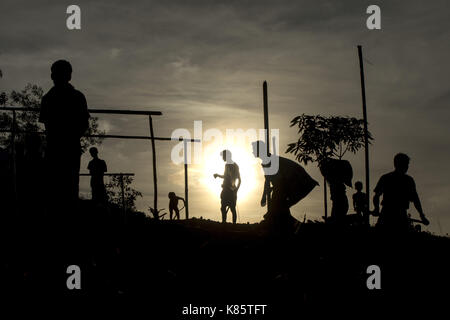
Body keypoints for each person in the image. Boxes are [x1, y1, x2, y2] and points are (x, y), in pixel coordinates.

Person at [39, 60, 90, 205]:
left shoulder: (50, 98)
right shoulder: (49, 98)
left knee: (64, 190)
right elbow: (83, 124)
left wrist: (67, 138)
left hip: (62, 148)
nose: (55, 76)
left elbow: (83, 124)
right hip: (60, 148)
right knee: (62, 190)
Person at [252, 141, 318, 233]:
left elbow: (279, 183)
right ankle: (292, 227)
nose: (252, 152)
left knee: (278, 206)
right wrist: (264, 196)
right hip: (293, 183)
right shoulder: (266, 161)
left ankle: (290, 227)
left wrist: (272, 197)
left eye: (254, 149)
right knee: (280, 208)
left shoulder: (270, 161)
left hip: (300, 182)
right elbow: (268, 180)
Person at [373, 153, 429, 231]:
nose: (407, 167)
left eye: (407, 164)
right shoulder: (388, 178)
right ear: (398, 164)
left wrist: (422, 216)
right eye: (405, 164)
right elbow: (376, 195)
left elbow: (416, 200)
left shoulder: (406, 180)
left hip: (397, 214)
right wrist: (376, 208)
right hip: (388, 213)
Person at [213, 150, 241, 224]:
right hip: (232, 190)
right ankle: (231, 225)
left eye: (223, 156)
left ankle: (224, 224)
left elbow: (227, 176)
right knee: (232, 209)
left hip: (227, 190)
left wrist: (217, 175)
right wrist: (236, 189)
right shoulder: (235, 165)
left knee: (224, 208)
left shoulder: (228, 165)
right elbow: (238, 179)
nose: (222, 158)